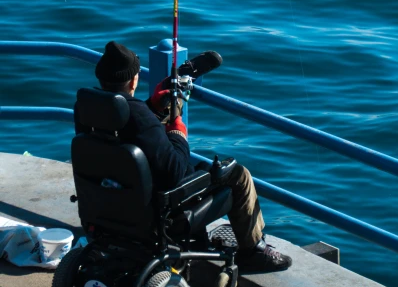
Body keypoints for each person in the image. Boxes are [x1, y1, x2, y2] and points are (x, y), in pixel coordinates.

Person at [75, 40, 292, 272]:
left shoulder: (88, 110)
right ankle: (253, 251)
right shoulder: (140, 119)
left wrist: (153, 107)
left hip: (107, 205)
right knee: (237, 174)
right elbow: (175, 172)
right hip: (156, 213)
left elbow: (127, 131)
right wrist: (178, 133)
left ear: (101, 79)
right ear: (134, 79)